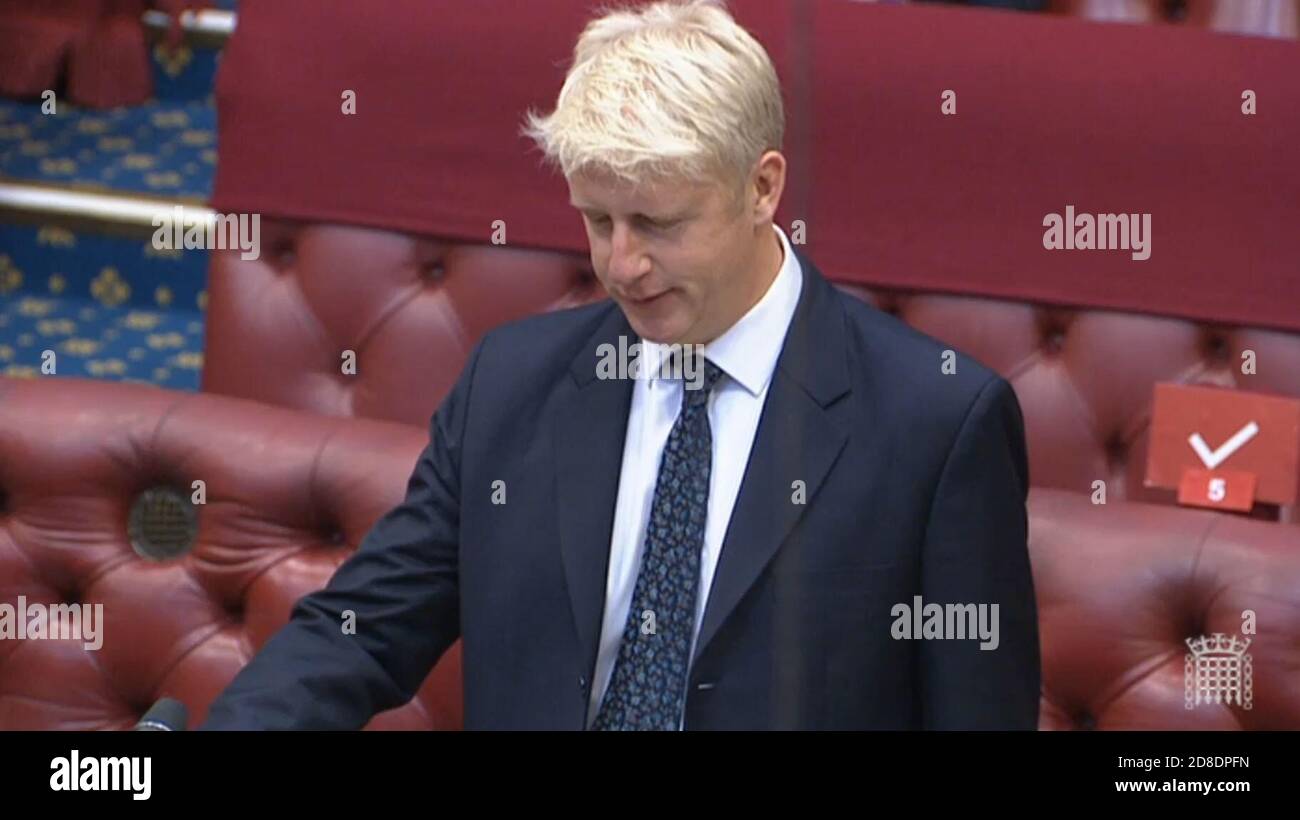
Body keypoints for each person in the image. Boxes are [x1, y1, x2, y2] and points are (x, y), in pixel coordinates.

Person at [201, 0, 1040, 731]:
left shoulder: (935, 426)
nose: (622, 265)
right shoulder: (511, 387)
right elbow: (366, 628)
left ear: (762, 188)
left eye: (658, 222)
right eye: (598, 221)